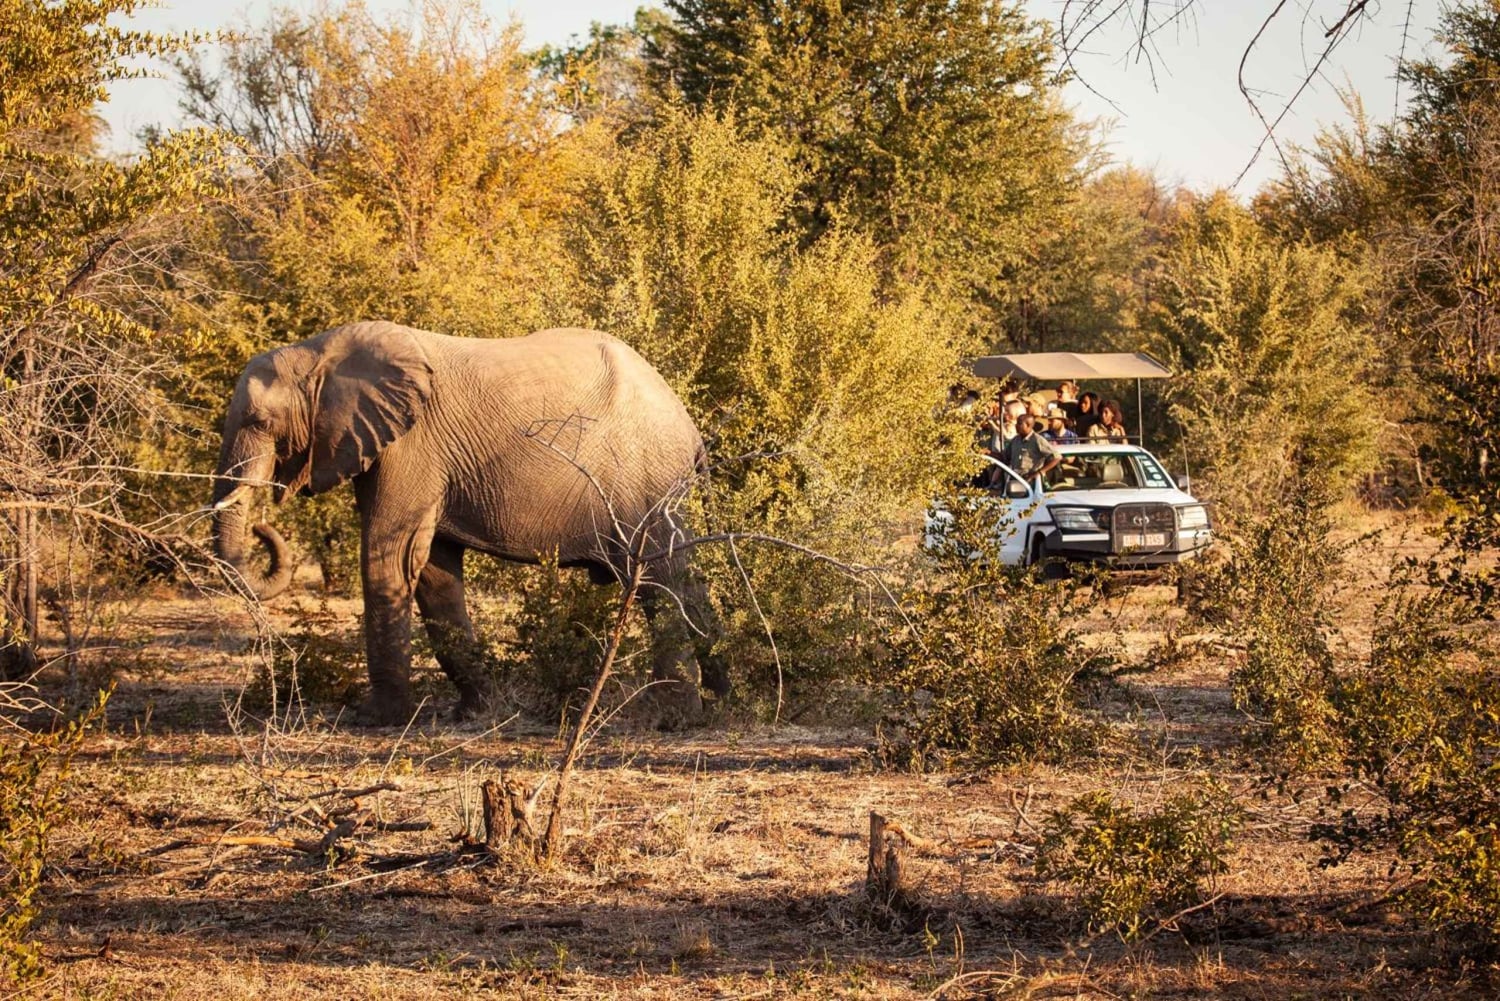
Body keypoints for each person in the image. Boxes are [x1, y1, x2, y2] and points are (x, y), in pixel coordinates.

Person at [1004, 413, 1061, 483]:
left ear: (1028, 425)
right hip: (1015, 479)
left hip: (1030, 481)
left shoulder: (1037, 440)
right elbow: (1005, 458)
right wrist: (989, 453)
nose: (1016, 426)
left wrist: (1039, 473)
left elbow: (1057, 457)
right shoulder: (1015, 440)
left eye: (1019, 423)